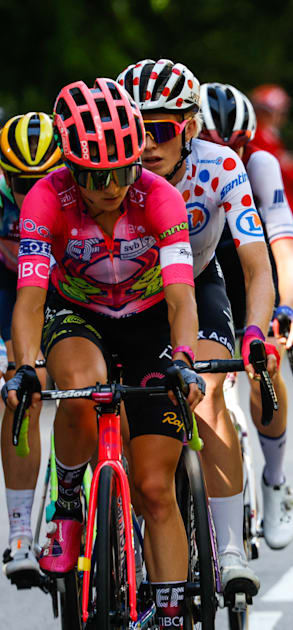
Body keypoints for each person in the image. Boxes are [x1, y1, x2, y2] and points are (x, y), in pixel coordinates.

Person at [2, 78, 205, 629]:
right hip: (78, 317)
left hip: (148, 325)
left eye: (124, 169)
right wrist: (24, 367)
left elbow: (183, 295)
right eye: (96, 175)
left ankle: (168, 611)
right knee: (82, 389)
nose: (113, 185)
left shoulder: (160, 197)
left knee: (155, 487)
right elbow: (29, 300)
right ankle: (68, 498)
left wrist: (183, 357)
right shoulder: (46, 198)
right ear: (71, 168)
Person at [117, 58, 280, 595]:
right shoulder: (114, 172)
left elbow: (256, 265)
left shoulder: (221, 166)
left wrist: (255, 333)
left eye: (159, 130)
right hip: (130, 301)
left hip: (200, 284)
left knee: (208, 391)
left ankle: (230, 549)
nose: (145, 144)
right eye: (136, 129)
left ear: (188, 127)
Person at [200, 82, 293, 555]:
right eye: (213, 145)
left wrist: (286, 308)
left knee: (265, 363)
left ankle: (275, 478)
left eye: (238, 148)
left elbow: (284, 250)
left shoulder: (260, 165)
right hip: (197, 270)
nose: (227, 157)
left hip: (247, 267)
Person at [0, 112, 61, 584]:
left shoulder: (78, 191)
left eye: (43, 179)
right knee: (24, 389)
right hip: (10, 291)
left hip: (63, 288)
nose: (33, 192)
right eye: (22, 183)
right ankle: (21, 530)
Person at [249, 84, 293, 222]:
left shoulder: (269, 136)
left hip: (282, 210)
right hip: (277, 213)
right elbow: (292, 174)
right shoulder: (259, 137)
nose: (283, 117)